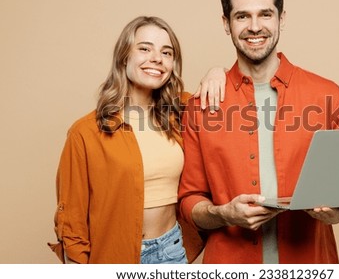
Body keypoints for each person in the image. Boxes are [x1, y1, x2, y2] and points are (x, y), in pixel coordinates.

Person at [178, 0, 339, 264]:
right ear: (226, 24)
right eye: (242, 16)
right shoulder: (201, 105)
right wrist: (223, 214)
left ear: (282, 18)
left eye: (265, 14)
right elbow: (189, 200)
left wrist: (336, 212)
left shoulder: (327, 94)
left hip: (310, 263)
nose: (254, 27)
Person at [48, 16, 226, 264]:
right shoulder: (85, 132)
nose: (157, 58)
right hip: (115, 257)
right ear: (124, 56)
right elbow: (71, 221)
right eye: (144, 48)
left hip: (172, 251)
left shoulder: (182, 112)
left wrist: (216, 72)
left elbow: (230, 99)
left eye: (167, 52)